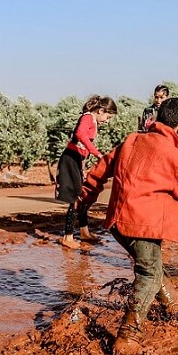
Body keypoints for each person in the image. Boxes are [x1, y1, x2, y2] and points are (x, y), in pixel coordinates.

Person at [78, 97, 178, 355]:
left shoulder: (131, 140)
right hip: (144, 225)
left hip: (118, 222)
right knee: (149, 275)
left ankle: (172, 306)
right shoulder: (174, 156)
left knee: (154, 267)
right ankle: (128, 335)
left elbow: (99, 171)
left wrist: (85, 200)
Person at [55, 95, 117, 249]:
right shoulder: (88, 117)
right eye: (107, 117)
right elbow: (79, 135)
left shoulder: (93, 120)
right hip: (70, 159)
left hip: (76, 160)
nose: (107, 121)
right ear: (101, 110)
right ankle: (68, 237)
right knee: (74, 198)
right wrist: (98, 154)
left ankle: (84, 232)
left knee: (81, 196)